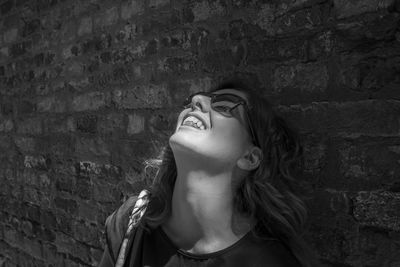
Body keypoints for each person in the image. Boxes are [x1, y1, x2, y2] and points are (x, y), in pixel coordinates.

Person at [98, 80, 317, 267]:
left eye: (224, 105)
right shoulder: (132, 222)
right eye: (194, 100)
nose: (196, 101)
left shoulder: (270, 261)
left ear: (249, 158)